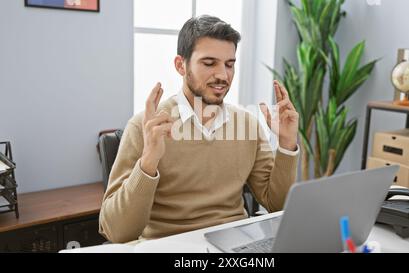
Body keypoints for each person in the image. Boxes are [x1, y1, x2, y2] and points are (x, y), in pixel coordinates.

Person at [99, 15, 300, 243]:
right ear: (180, 65)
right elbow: (117, 232)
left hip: (234, 246)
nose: (223, 75)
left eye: (229, 64)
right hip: (169, 247)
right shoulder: (144, 127)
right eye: (209, 63)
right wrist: (148, 162)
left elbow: (277, 205)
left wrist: (286, 145)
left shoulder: (247, 125)